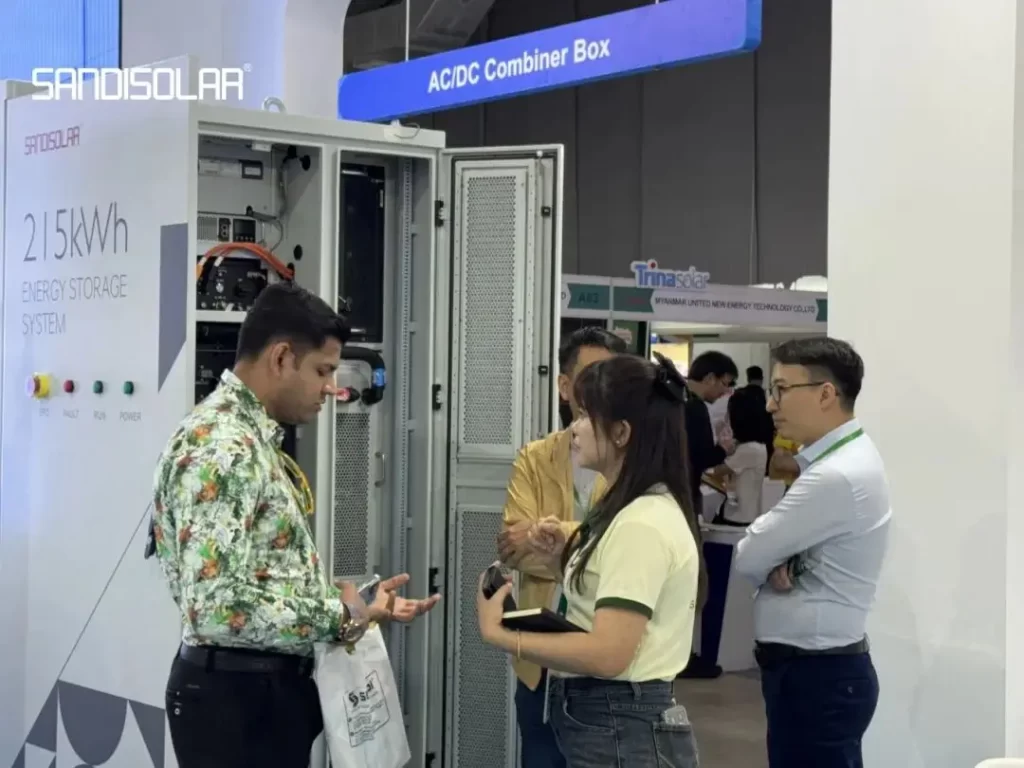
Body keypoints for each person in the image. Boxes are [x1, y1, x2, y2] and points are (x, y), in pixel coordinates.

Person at [151, 283, 440, 768]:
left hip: (256, 696)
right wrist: (339, 617)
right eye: (323, 370)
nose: (332, 387)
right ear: (282, 358)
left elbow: (258, 576)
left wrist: (358, 606)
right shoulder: (223, 446)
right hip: (238, 705)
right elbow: (216, 608)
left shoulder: (246, 438)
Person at [478, 353, 701, 768]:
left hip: (618, 719)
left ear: (621, 432)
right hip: (607, 717)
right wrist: (563, 560)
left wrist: (501, 634)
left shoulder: (640, 524)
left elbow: (608, 654)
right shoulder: (627, 510)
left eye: (584, 416)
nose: (574, 428)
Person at [734, 337, 890, 768]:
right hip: (817, 672)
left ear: (825, 394)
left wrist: (774, 557)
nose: (771, 404)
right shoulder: (842, 460)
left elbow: (749, 554)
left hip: (816, 676)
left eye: (782, 390)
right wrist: (780, 557)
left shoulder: (836, 475)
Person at [496, 326, 626, 768]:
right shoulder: (535, 457)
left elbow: (630, 549)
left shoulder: (639, 461)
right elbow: (514, 548)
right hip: (542, 659)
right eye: (591, 377)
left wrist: (554, 537)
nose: (602, 390)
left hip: (610, 660)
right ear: (565, 386)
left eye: (611, 377)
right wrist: (595, 543)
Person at [680, 349, 737, 678]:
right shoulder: (695, 407)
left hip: (666, 495)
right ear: (711, 377)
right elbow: (701, 456)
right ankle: (683, 655)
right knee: (688, 577)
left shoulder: (672, 400)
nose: (725, 392)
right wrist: (724, 450)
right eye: (725, 384)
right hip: (683, 498)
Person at [709, 386, 768, 525]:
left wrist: (723, 449)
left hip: (738, 517)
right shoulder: (756, 446)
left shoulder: (749, 449)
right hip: (744, 513)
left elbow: (717, 471)